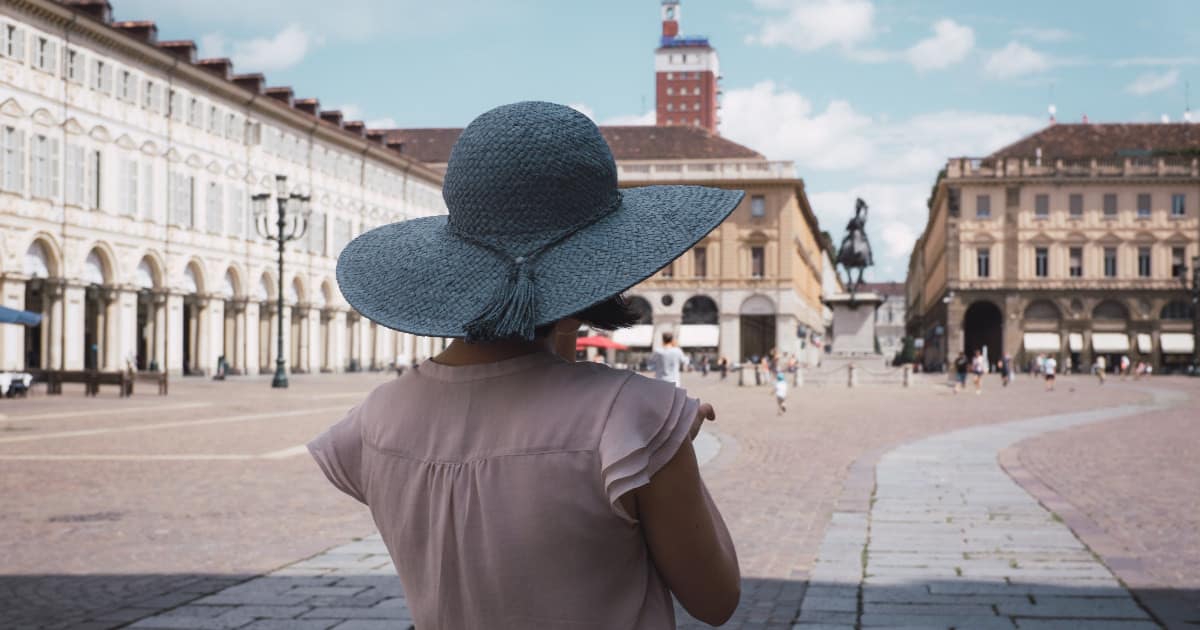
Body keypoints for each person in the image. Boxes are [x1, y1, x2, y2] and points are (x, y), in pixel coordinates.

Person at [307, 102, 740, 629]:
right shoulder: (632, 417)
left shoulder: (375, 419)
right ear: (602, 267)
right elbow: (716, 599)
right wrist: (672, 444)